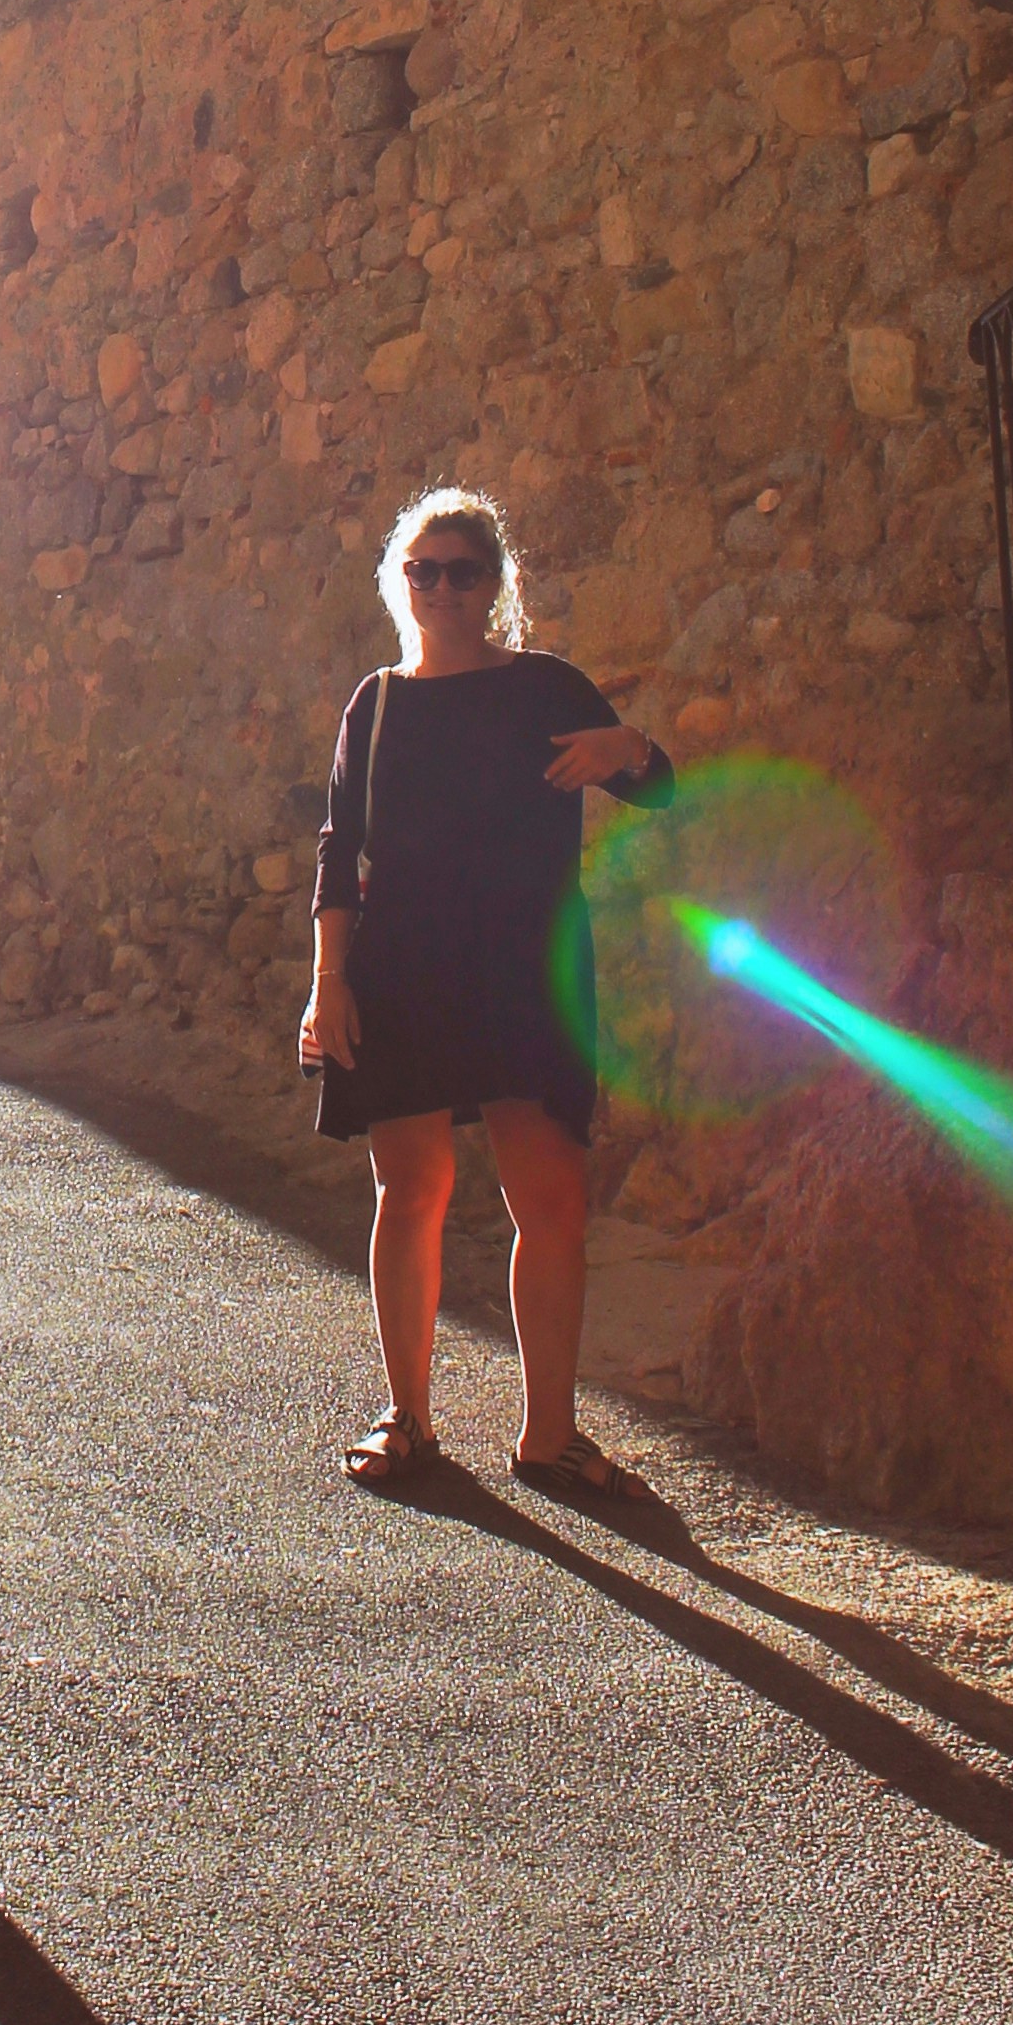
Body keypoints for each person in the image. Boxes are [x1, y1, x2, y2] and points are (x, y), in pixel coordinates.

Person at [298, 485, 674, 1501]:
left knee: (547, 1200)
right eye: (422, 570)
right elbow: (340, 849)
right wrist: (327, 983)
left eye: (464, 571)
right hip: (405, 967)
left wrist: (628, 745)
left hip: (527, 967)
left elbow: (661, 791)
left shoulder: (545, 689)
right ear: (398, 582)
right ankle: (407, 1418)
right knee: (408, 1191)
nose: (442, 589)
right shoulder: (377, 703)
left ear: (495, 582)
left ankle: (549, 1433)